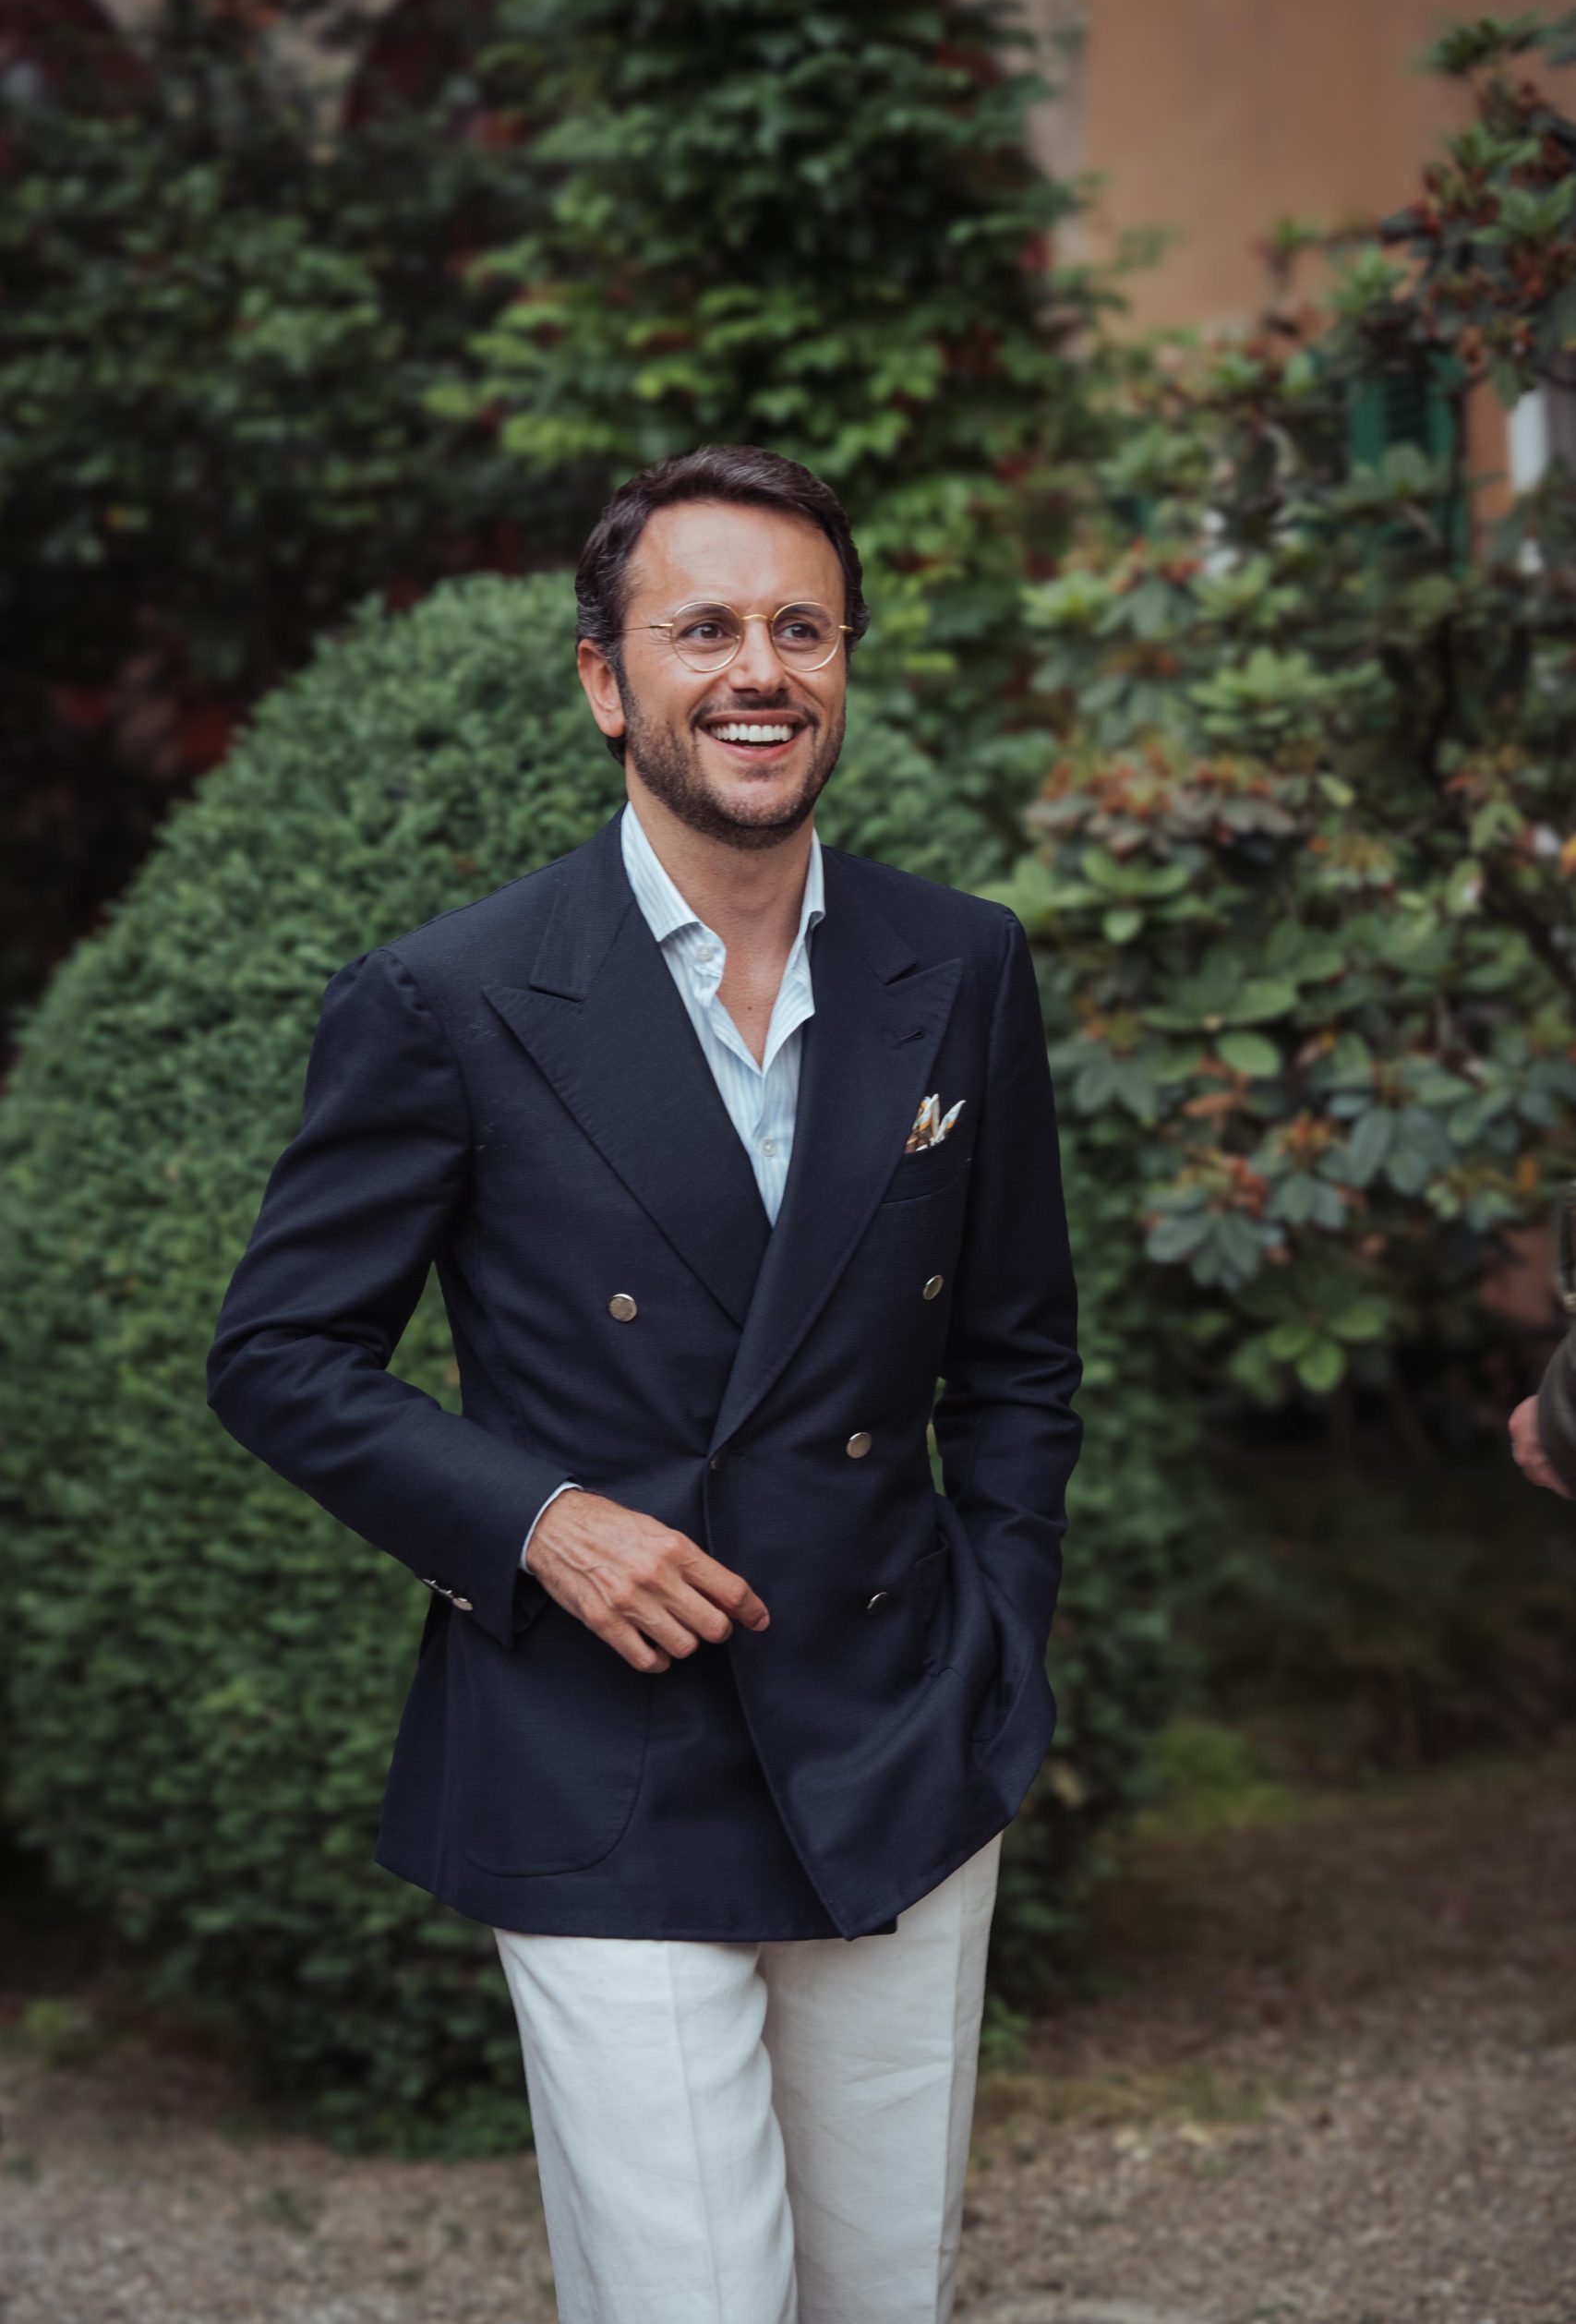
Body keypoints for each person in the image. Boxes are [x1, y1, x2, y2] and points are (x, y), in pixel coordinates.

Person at [206, 443, 1083, 2324]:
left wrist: (996, 1635)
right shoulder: (446, 996)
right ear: (607, 680)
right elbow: (278, 1354)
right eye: (702, 628)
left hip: (894, 1724)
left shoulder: (962, 964)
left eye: (799, 627)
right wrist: (533, 1521)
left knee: (880, 2288)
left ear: (843, 663)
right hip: (601, 1748)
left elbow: (1015, 1361)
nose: (756, 668)